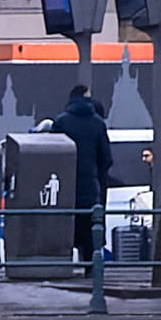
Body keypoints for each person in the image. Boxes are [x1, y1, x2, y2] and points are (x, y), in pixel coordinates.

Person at [50, 81, 117, 273]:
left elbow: (53, 155)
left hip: (66, 187)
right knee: (91, 229)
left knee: (68, 226)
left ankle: (63, 268)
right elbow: (106, 158)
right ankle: (91, 270)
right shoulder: (97, 123)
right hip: (90, 187)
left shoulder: (62, 121)